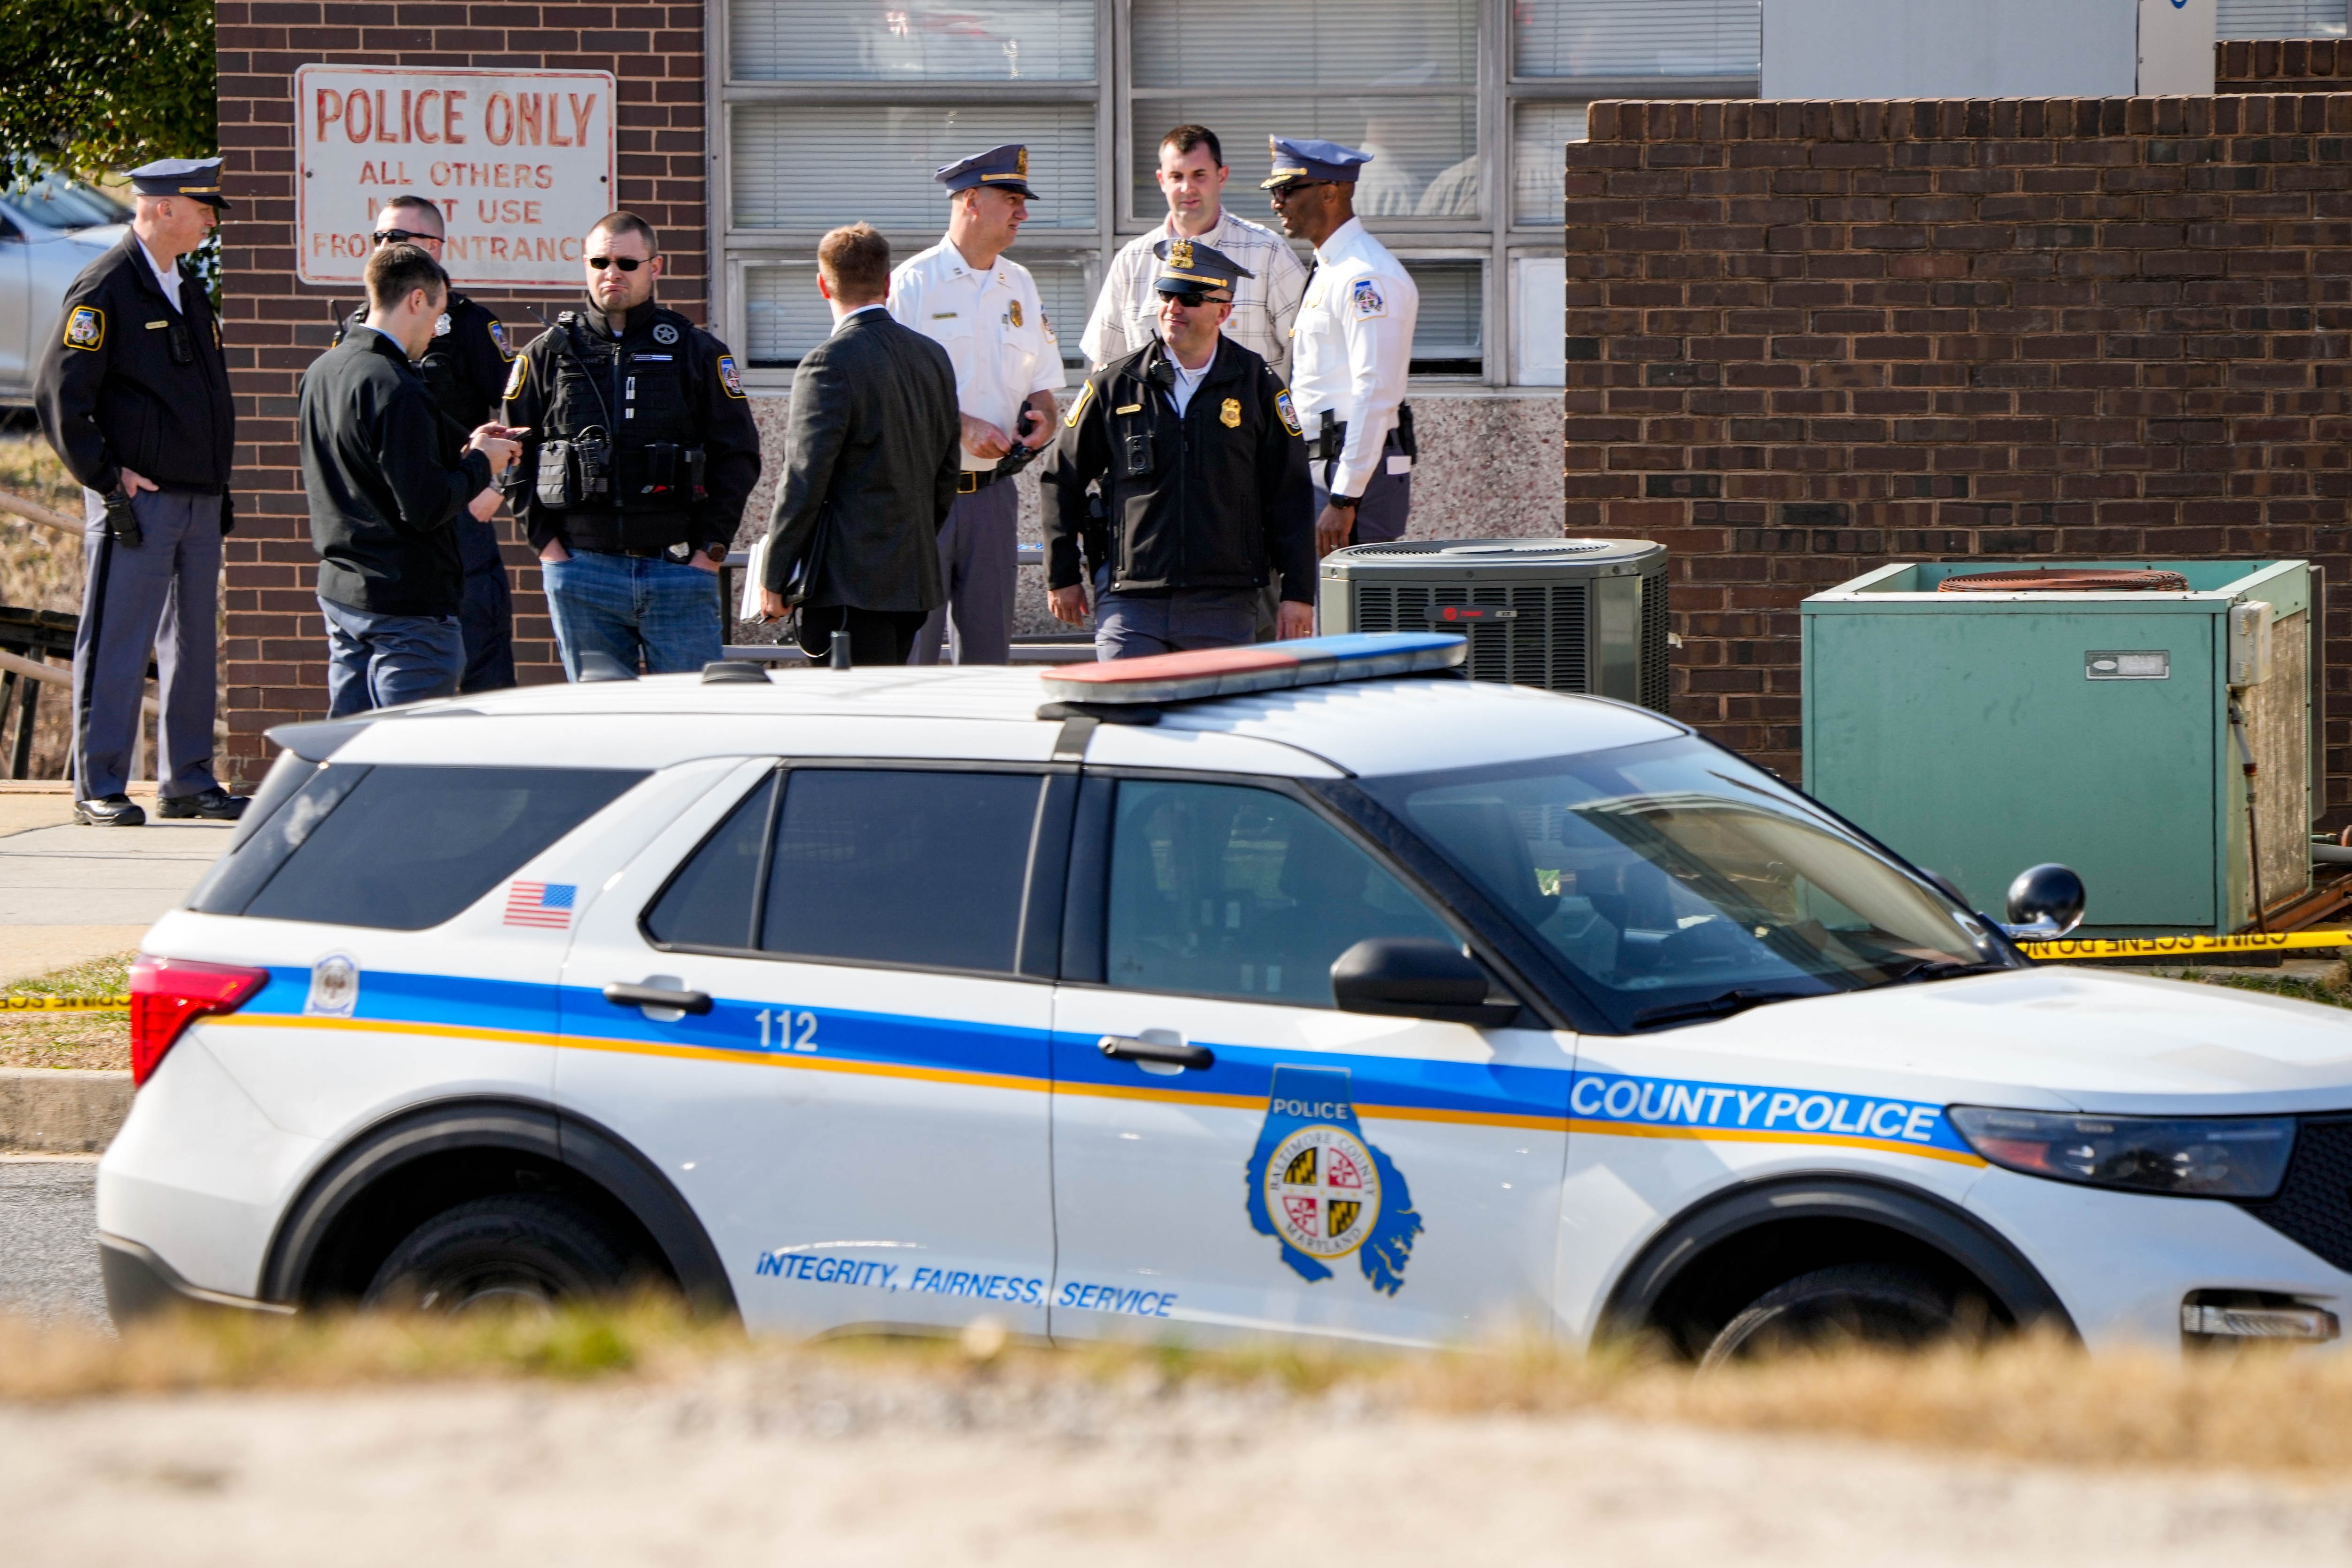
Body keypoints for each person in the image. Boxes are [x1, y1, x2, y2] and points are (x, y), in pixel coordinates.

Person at [32, 157, 243, 826]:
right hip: (140, 502)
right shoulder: (106, 286)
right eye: (201, 205)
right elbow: (60, 398)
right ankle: (98, 783)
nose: (212, 218)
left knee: (194, 647)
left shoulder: (187, 285)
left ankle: (187, 780)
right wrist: (107, 475)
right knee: (119, 642)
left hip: (198, 500)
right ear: (159, 208)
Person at [503, 211, 763, 678]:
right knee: (602, 731)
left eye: (626, 262)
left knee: (693, 719)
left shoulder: (697, 352)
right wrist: (547, 548)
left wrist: (711, 553)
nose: (612, 273)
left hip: (676, 569)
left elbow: (738, 456)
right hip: (583, 572)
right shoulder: (547, 354)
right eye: (600, 261)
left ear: (655, 267)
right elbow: (512, 455)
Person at [1043, 238, 1314, 660]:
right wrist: (1061, 574)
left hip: (1224, 601)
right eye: (1167, 295)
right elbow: (1061, 478)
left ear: (1223, 311)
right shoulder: (1115, 385)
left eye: (1189, 298)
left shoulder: (1258, 386)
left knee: (1217, 719)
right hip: (1132, 598)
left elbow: (1291, 494)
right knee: (1126, 713)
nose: (1173, 308)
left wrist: (1299, 593)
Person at [301, 245, 520, 716]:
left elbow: (371, 465)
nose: (434, 331)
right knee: (411, 764)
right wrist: (482, 465)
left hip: (344, 595)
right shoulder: (395, 386)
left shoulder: (324, 371)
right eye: (438, 314)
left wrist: (468, 445)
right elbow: (426, 504)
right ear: (417, 300)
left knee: (348, 756)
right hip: (407, 609)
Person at [887, 143, 1065, 665]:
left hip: (993, 495)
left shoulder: (1021, 284)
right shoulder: (912, 284)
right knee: (914, 654)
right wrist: (959, 426)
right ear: (969, 200)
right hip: (924, 496)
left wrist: (1043, 418)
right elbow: (891, 394)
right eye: (1010, 199)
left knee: (989, 657)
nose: (1023, 213)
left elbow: (1041, 384)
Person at [759, 224, 961, 667]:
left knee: (851, 721)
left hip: (846, 584)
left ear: (822, 284)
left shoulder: (827, 363)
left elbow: (803, 480)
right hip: (912, 577)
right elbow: (948, 472)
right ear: (888, 283)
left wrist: (774, 574)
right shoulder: (932, 356)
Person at [1263, 137, 1420, 558]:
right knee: (1323, 611)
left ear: (1331, 193)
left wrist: (1345, 498)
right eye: (1275, 192)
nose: (1277, 203)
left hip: (1349, 477)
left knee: (1354, 615)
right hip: (1323, 467)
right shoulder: (1332, 267)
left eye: (1287, 190)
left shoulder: (1364, 276)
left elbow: (1375, 390)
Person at [1079, 125, 1307, 380]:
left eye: (1199, 175)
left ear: (1222, 176)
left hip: (1248, 416)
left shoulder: (1267, 252)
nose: (1188, 188)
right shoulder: (1131, 262)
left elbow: (1306, 354)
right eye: (1177, 176)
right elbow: (1105, 368)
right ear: (1162, 180)